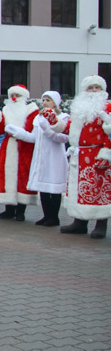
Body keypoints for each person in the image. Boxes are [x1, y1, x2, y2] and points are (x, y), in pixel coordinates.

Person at [56, 75, 111, 238]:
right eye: (90, 88)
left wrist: (106, 155)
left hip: (97, 154)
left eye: (97, 87)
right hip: (79, 155)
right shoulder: (79, 108)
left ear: (103, 90)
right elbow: (70, 130)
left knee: (99, 189)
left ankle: (101, 224)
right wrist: (55, 122)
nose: (94, 91)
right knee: (79, 189)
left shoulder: (107, 108)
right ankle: (79, 222)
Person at [4, 91, 69, 226]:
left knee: (54, 188)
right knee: (43, 187)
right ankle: (46, 216)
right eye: (43, 100)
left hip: (54, 157)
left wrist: (48, 129)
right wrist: (18, 132)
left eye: (48, 100)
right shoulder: (39, 118)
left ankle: (54, 217)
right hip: (41, 156)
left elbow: (63, 138)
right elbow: (33, 138)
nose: (45, 103)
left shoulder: (63, 117)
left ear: (55, 103)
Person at [0, 85, 39, 221]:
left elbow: (30, 129)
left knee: (23, 177)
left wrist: (19, 133)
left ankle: (21, 211)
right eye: (12, 95)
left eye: (18, 95)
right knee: (7, 177)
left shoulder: (31, 110)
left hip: (24, 146)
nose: (14, 98)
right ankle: (9, 209)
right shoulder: (6, 109)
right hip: (9, 145)